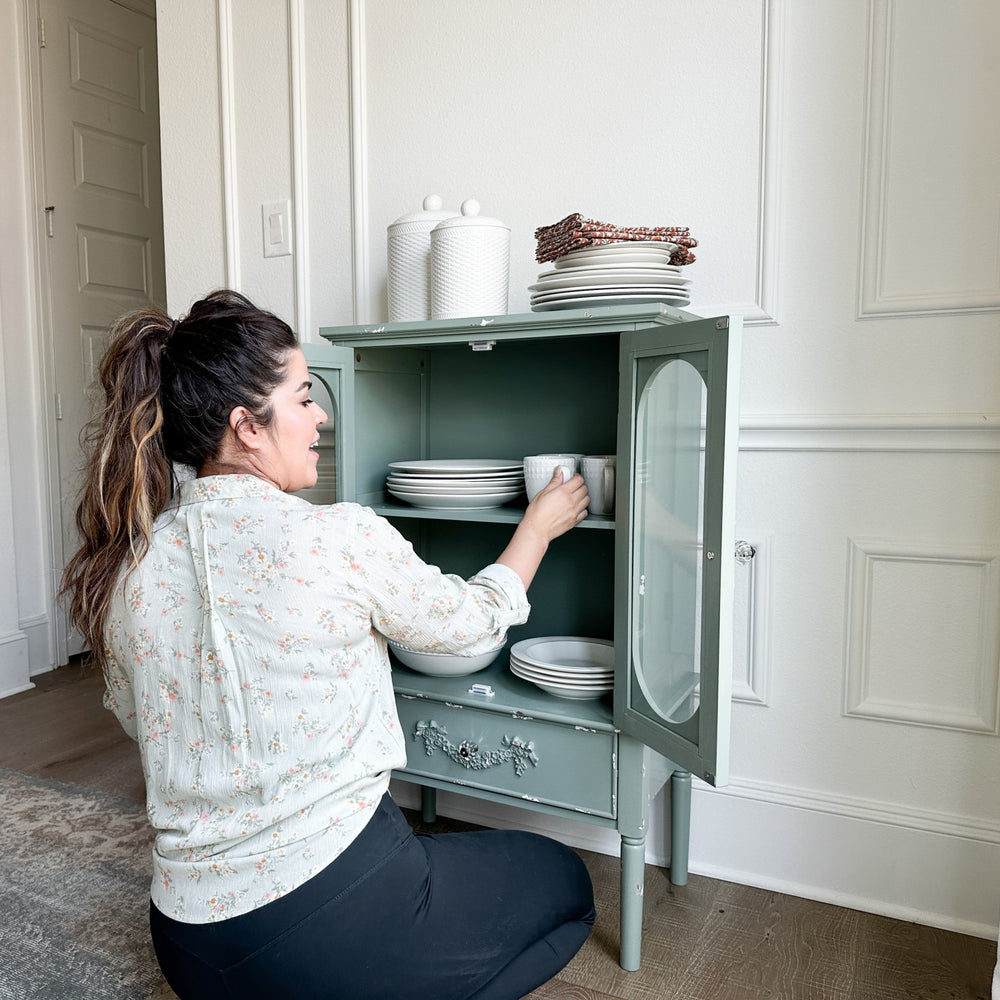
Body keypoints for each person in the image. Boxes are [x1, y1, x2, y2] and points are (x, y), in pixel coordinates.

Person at [60, 289, 596, 999]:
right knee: (567, 882)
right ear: (247, 426)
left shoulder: (130, 567)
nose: (319, 417)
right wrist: (537, 529)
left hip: (188, 946)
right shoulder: (337, 536)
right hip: (332, 928)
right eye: (304, 397)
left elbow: (143, 718)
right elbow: (471, 622)